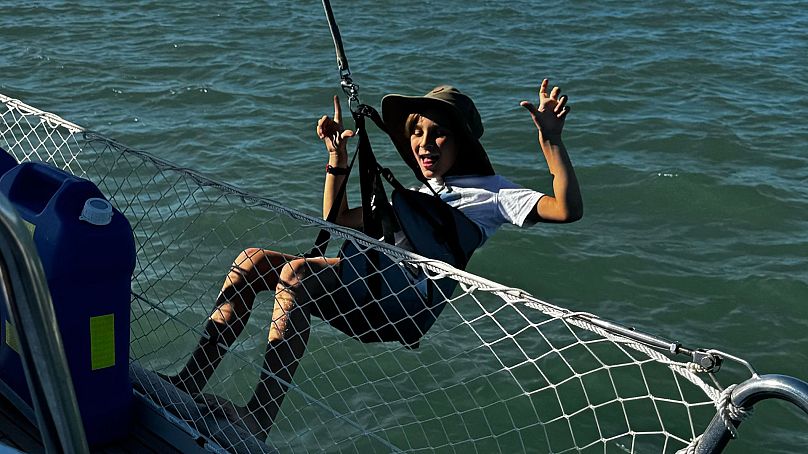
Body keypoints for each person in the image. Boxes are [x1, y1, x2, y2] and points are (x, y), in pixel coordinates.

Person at [162, 79, 583, 439]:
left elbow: (566, 209)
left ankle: (258, 417)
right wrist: (337, 157)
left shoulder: (491, 192)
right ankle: (189, 383)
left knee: (297, 274)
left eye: (438, 134)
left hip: (403, 306)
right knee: (251, 260)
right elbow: (340, 221)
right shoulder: (413, 194)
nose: (424, 144)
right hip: (367, 284)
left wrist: (551, 141)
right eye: (416, 133)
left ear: (462, 141)